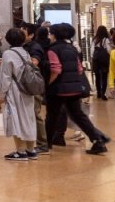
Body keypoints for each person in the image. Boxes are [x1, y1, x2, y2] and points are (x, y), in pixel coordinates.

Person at [45, 23, 108, 154]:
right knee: (79, 116)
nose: (49, 36)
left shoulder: (53, 50)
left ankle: (46, 143)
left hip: (58, 89)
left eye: (50, 33)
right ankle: (98, 139)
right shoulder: (72, 49)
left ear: (55, 35)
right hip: (74, 89)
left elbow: (56, 70)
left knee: (52, 116)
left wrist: (47, 84)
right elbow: (79, 69)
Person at [0, 27, 39, 161]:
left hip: (14, 91)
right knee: (29, 118)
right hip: (27, 90)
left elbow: (6, 77)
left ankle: (20, 151)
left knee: (15, 118)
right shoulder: (25, 52)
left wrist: (1, 96)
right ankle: (31, 150)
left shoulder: (8, 54)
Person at [92, 25, 112, 100]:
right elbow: (109, 50)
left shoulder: (94, 39)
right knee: (104, 77)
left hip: (96, 60)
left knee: (97, 77)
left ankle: (98, 93)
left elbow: (92, 51)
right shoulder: (105, 40)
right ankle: (103, 93)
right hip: (104, 61)